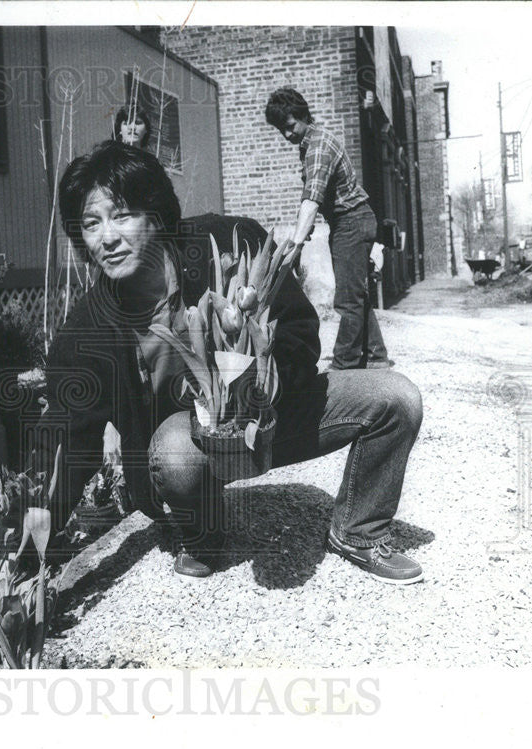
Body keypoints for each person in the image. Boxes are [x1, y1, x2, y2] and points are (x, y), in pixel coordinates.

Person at [35, 140, 423, 584]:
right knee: (176, 453)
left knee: (396, 398)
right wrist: (29, 541)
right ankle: (202, 535)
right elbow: (69, 440)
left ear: (155, 216)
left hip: (268, 415)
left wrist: (256, 392)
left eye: (122, 215)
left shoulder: (229, 243)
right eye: (90, 223)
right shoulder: (88, 331)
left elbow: (299, 332)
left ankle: (359, 530)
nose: (107, 237)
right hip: (189, 448)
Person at [265, 87, 392, 371]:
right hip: (349, 220)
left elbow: (312, 199)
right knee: (356, 293)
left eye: (289, 126)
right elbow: (313, 200)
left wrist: (295, 245)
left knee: (347, 299)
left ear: (303, 115)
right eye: (280, 131)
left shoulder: (318, 146)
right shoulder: (311, 145)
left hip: (352, 221)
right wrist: (303, 233)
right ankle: (376, 355)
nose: (287, 135)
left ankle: (345, 362)